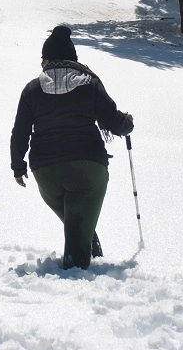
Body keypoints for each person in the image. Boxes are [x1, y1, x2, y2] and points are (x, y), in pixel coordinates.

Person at [10, 26, 134, 271]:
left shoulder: (32, 89)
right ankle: (76, 273)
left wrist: (17, 166)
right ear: (72, 59)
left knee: (75, 216)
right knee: (80, 213)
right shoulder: (90, 84)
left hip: (46, 171)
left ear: (49, 60)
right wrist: (127, 123)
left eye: (43, 58)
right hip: (88, 167)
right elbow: (113, 121)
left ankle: (87, 246)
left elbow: (20, 131)